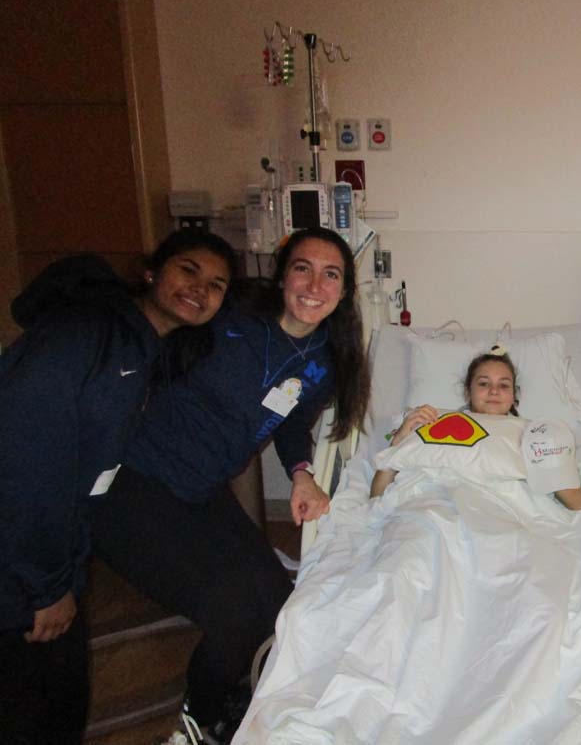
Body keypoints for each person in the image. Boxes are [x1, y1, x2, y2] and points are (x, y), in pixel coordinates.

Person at [88, 227, 372, 743]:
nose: (315, 285)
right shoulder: (230, 317)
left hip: (201, 493)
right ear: (282, 276)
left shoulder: (323, 363)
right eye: (303, 268)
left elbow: (290, 421)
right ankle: (198, 720)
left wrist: (302, 473)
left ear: (344, 290)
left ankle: (225, 698)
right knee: (237, 616)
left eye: (330, 275)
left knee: (279, 602)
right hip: (136, 485)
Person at [0, 230, 238, 745]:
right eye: (189, 270)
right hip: (19, 565)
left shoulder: (141, 350)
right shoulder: (87, 333)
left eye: (217, 285)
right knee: (32, 709)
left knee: (61, 702)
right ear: (150, 272)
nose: (200, 289)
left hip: (49, 556)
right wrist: (47, 587)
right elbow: (26, 463)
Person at [371, 350, 581, 510]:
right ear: (468, 392)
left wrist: (550, 456)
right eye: (484, 384)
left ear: (514, 396)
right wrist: (399, 441)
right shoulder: (431, 421)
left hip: (509, 512)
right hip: (433, 507)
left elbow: (578, 504)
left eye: (504, 385)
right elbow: (377, 496)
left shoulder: (535, 433)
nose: (494, 391)